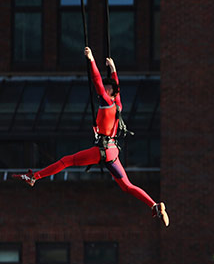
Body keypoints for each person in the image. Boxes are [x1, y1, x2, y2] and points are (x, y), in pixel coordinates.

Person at [13, 47, 169, 227]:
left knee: (66, 161)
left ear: (110, 92)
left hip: (102, 150)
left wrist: (91, 59)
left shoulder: (106, 101)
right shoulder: (118, 105)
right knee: (127, 186)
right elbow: (115, 86)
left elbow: (97, 81)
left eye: (108, 88)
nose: (105, 89)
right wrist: (113, 69)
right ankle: (154, 205)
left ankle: (35, 177)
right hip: (112, 151)